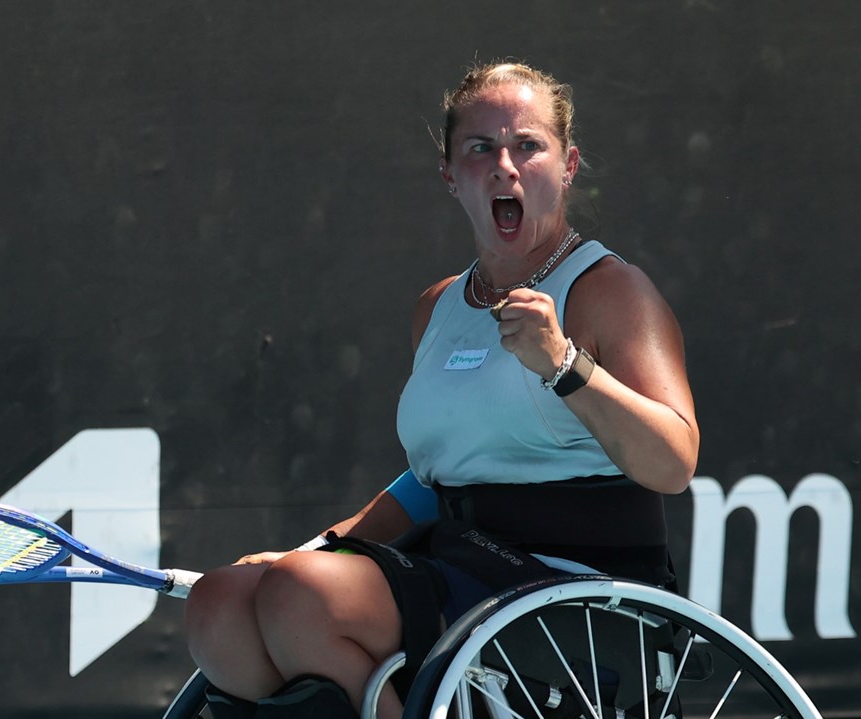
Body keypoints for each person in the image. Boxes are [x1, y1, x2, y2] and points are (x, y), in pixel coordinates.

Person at [184, 61, 699, 719]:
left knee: (296, 594)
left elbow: (674, 460)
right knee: (222, 604)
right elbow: (429, 481)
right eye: (481, 148)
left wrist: (565, 365)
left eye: (528, 146)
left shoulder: (610, 290)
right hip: (461, 568)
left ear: (567, 165)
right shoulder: (437, 309)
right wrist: (321, 547)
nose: (504, 166)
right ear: (450, 175)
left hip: (578, 594)